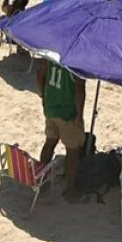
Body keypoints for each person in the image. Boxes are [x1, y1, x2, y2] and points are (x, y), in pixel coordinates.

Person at [36, 57, 88, 197]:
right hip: (67, 113)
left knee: (49, 143)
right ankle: (70, 191)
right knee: (72, 152)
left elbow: (40, 73)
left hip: (51, 108)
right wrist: (79, 115)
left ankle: (41, 181)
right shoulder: (76, 62)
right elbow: (79, 90)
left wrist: (43, 97)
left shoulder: (52, 56)